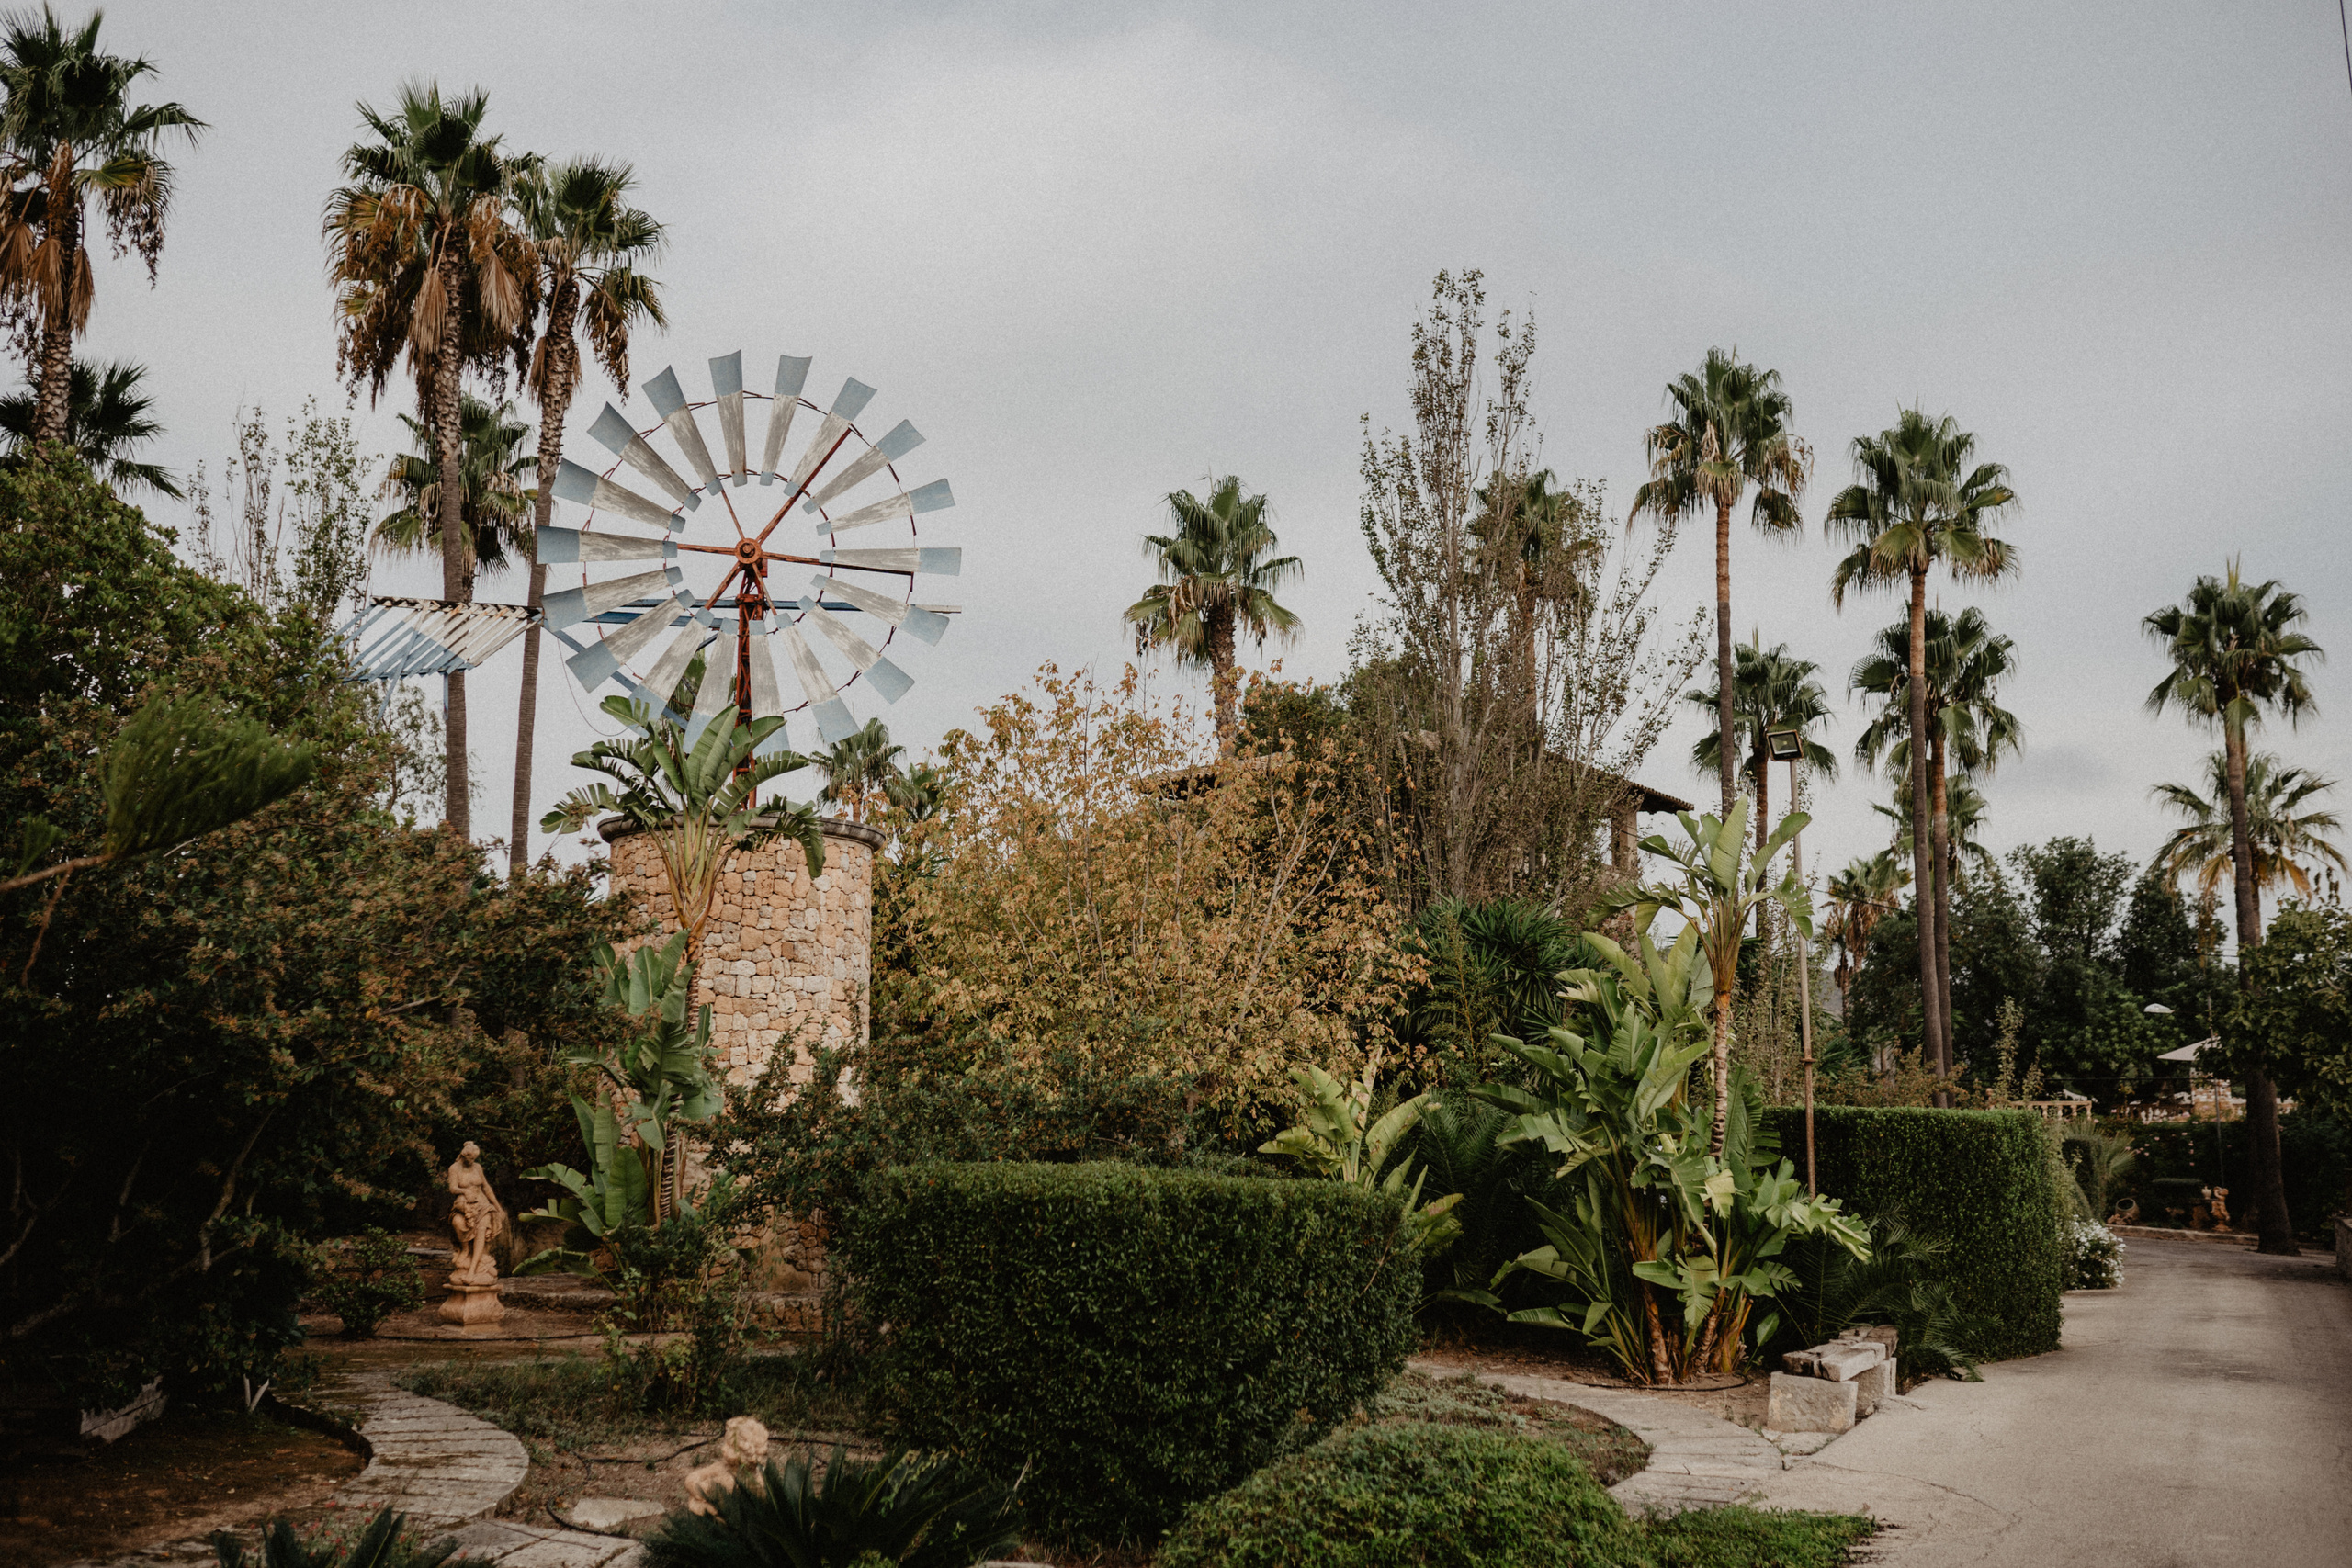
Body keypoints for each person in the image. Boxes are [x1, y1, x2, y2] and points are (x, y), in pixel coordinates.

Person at [447, 1141, 509, 1285]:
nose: (473, 1161)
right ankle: (465, 1249)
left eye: (475, 1159)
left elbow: (486, 1188)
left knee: (482, 1229)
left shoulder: (478, 1167)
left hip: (482, 1205)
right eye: (471, 1158)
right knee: (458, 1223)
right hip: (463, 1205)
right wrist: (465, 1191)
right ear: (464, 1155)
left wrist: (498, 1207)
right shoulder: (454, 1168)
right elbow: (452, 1188)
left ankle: (472, 1271)